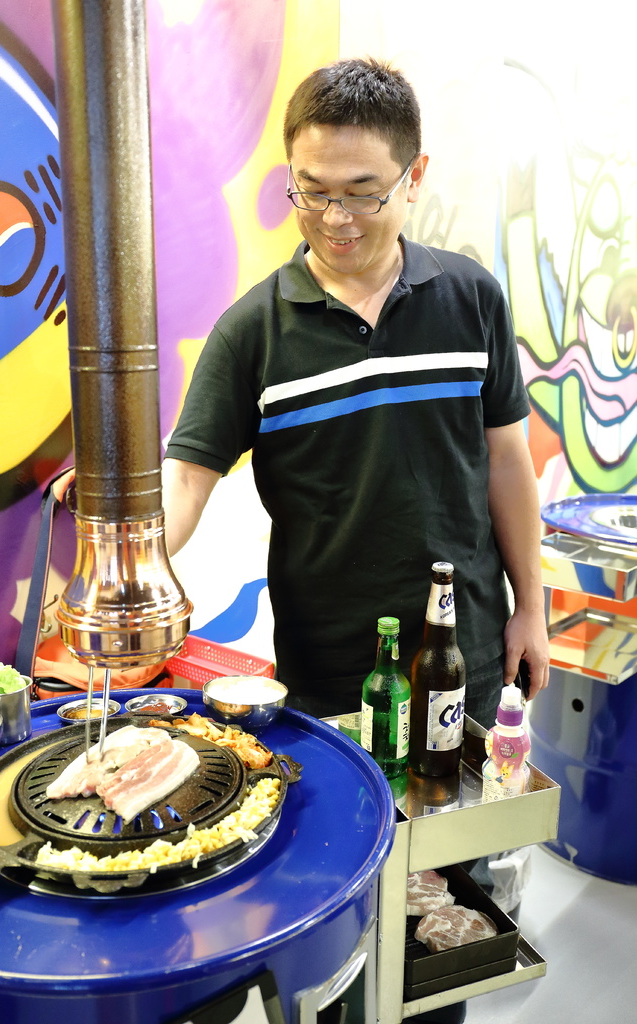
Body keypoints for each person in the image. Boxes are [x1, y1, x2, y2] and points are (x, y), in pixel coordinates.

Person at [162, 57, 549, 727]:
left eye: (362, 193)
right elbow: (188, 480)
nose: (334, 218)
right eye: (310, 190)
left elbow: (507, 463)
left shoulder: (472, 299)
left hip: (466, 650)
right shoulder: (251, 332)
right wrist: (126, 567)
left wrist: (531, 609)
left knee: (467, 799)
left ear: (413, 178)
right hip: (328, 672)